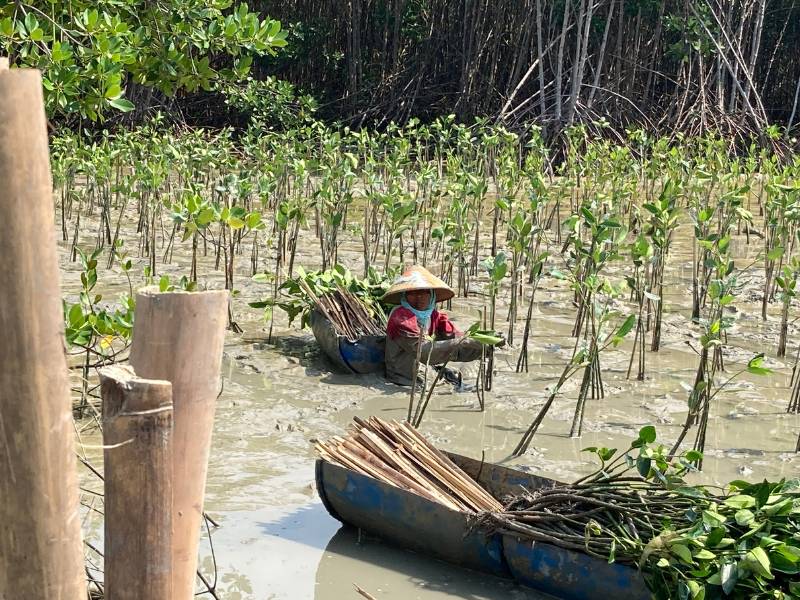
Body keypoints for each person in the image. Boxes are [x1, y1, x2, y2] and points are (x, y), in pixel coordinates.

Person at [382, 265, 483, 386]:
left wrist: (483, 345)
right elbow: (423, 351)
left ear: (432, 295)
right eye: (412, 293)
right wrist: (464, 342)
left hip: (424, 369)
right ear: (404, 296)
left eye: (424, 292)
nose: (419, 297)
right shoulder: (401, 317)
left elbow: (454, 337)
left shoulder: (434, 315)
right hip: (403, 378)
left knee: (460, 379)